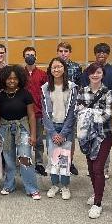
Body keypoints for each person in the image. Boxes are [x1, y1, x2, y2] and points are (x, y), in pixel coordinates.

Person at [0, 65, 41, 200]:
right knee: (8, 160)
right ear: (3, 80)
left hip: (23, 128)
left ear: (20, 79)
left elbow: (31, 115)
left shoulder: (26, 94)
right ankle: (9, 185)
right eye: (9, 78)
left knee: (25, 158)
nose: (12, 81)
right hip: (4, 129)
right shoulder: (0, 96)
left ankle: (31, 188)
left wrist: (33, 135)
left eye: (15, 78)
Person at [76, 63, 112, 218]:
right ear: (88, 75)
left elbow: (107, 115)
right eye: (92, 72)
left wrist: (89, 113)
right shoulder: (82, 91)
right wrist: (93, 113)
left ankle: (98, 203)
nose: (95, 75)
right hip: (86, 136)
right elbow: (78, 111)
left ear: (102, 74)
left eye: (98, 72)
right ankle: (95, 192)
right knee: (91, 168)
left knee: (98, 168)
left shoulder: (108, 92)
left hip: (103, 135)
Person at [80, 42, 112, 179]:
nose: (101, 54)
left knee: (104, 140)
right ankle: (92, 166)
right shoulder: (88, 70)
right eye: (99, 52)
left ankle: (105, 168)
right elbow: (84, 88)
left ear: (108, 54)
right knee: (90, 139)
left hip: (105, 110)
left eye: (104, 52)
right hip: (89, 110)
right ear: (95, 54)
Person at [41, 58, 77, 200]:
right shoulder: (45, 88)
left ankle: (65, 186)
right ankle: (54, 184)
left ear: (64, 68)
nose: (56, 70)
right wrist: (52, 132)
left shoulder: (72, 87)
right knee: (53, 158)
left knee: (65, 159)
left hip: (66, 128)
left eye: (59, 67)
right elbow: (44, 112)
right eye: (53, 67)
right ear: (50, 70)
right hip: (52, 128)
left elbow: (73, 112)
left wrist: (63, 133)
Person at [57, 41, 82, 175]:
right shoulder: (54, 66)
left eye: (66, 51)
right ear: (57, 52)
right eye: (61, 51)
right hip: (57, 105)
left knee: (70, 135)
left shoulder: (76, 67)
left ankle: (69, 162)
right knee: (56, 134)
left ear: (69, 53)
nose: (63, 54)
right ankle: (57, 160)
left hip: (71, 107)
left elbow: (79, 87)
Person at [23, 46, 48, 176]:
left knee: (38, 139)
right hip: (23, 113)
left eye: (32, 54)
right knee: (24, 139)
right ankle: (24, 163)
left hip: (38, 112)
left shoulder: (43, 75)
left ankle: (39, 163)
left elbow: (46, 94)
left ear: (36, 57)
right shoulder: (20, 74)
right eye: (27, 55)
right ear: (24, 57)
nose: (30, 57)